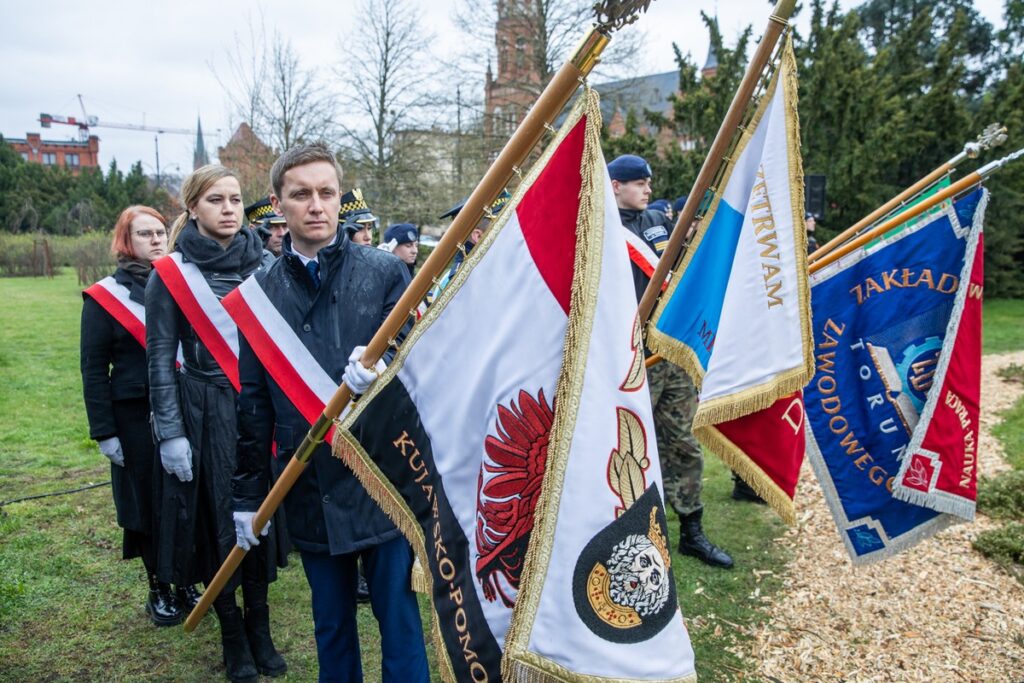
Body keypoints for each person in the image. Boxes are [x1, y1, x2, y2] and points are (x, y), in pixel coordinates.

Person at [231, 142, 429, 683]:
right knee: (332, 624)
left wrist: (384, 362)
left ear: (340, 198)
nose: (316, 205)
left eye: (327, 192)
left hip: (381, 473)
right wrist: (247, 497)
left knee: (399, 620)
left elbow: (415, 349)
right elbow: (253, 402)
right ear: (278, 205)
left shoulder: (385, 270)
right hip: (309, 479)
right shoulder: (258, 295)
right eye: (301, 194)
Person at [147, 165, 287, 683]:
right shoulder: (170, 274)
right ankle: (232, 632)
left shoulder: (268, 262)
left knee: (261, 515)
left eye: (234, 199)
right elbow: (159, 359)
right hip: (203, 409)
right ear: (193, 208)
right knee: (219, 520)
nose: (228, 209)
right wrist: (171, 432)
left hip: (260, 409)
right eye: (215, 200)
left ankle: (260, 625)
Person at [609, 153, 734, 570]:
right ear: (615, 186)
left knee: (683, 441)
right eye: (639, 183)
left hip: (667, 351)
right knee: (628, 447)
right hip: (628, 357)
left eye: (649, 182)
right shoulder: (599, 228)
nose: (648, 189)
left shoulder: (658, 223)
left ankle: (692, 532)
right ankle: (627, 532)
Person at [81, 205, 194, 626]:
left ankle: (186, 578)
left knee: (184, 498)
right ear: (126, 242)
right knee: (148, 504)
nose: (156, 239)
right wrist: (105, 432)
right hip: (133, 418)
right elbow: (93, 370)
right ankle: (158, 587)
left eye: (161, 232)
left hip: (182, 406)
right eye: (145, 234)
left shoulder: (181, 282)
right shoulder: (104, 296)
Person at [245, 197, 288, 268]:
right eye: (273, 227)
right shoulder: (242, 266)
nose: (282, 233)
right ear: (252, 229)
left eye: (285, 226)